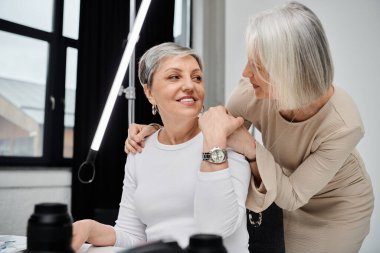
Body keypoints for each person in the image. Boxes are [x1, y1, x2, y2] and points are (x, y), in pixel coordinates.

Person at [125, 2, 374, 253]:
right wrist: (159, 134)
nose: (245, 72)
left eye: (257, 65)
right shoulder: (250, 93)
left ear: (287, 70)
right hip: (281, 187)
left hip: (335, 204)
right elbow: (210, 130)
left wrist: (252, 148)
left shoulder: (344, 126)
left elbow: (293, 196)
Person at [71, 42, 251, 253]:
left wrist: (213, 141)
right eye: (174, 77)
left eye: (197, 77)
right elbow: (133, 235)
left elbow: (217, 229)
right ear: (149, 92)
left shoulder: (226, 137)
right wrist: (89, 228)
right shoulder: (141, 149)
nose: (190, 86)